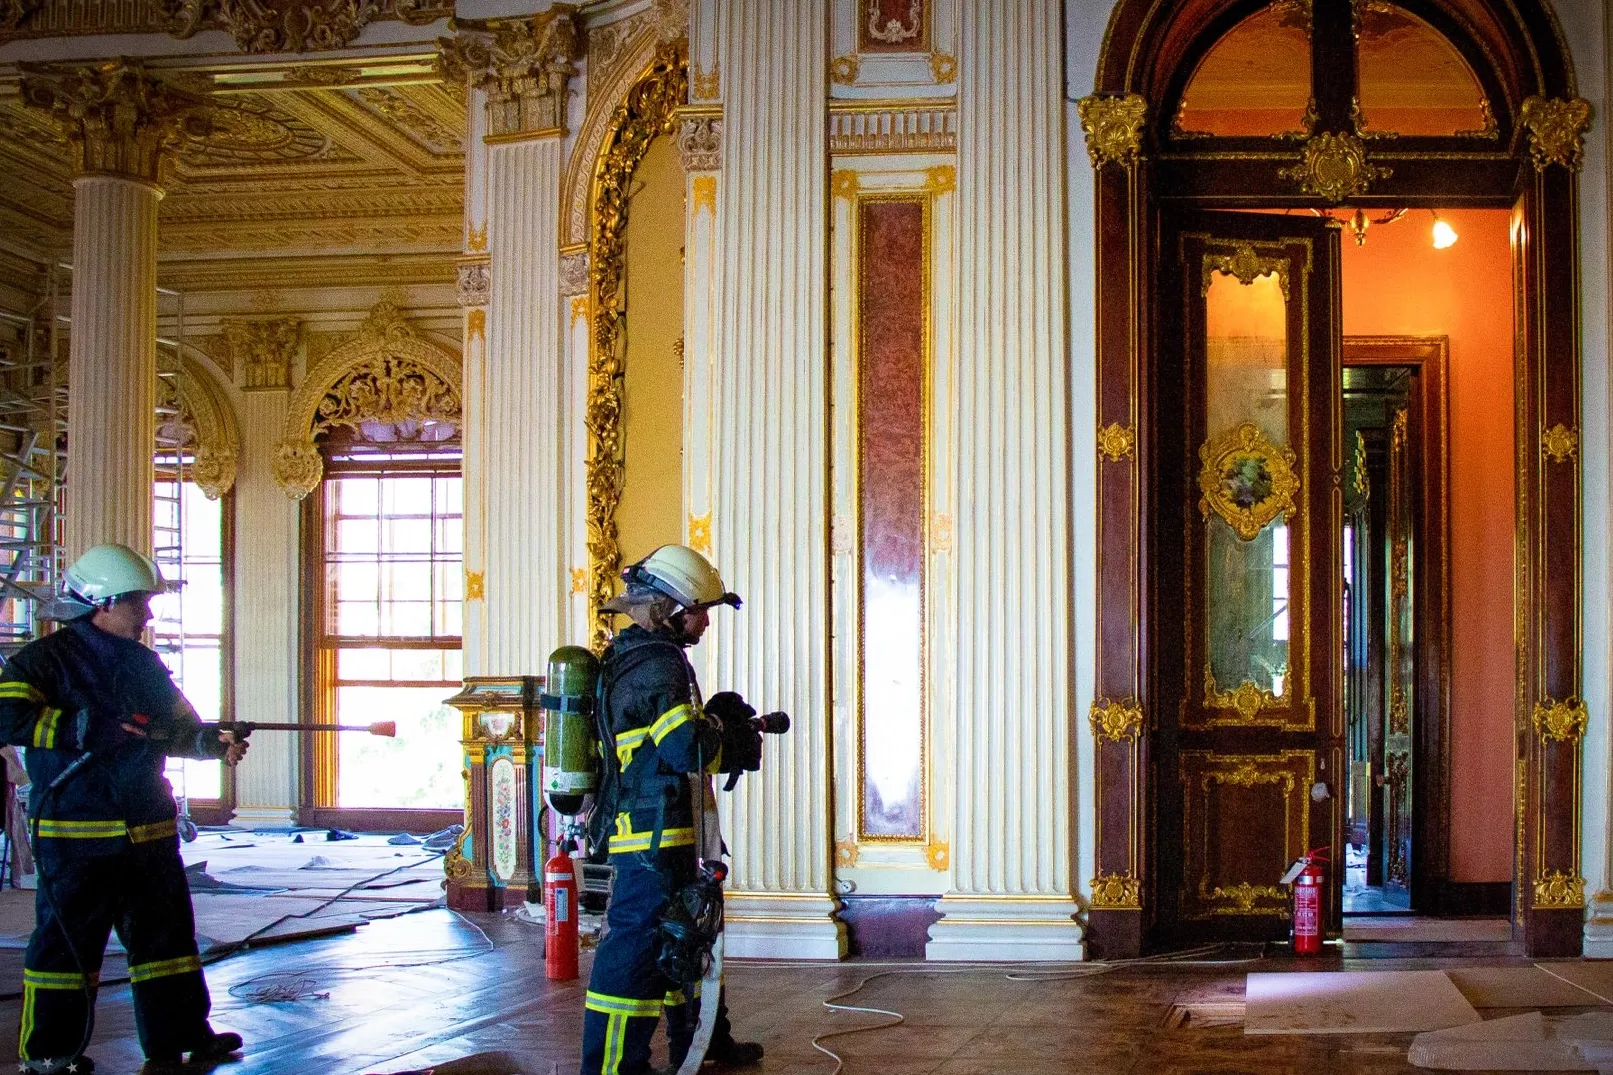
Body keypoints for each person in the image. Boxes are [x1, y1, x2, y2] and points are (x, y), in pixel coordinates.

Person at [0, 544, 248, 1075]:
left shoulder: (143, 664)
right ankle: (50, 1054)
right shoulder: (42, 662)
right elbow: (6, 718)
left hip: (147, 830)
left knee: (167, 943)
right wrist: (86, 728)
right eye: (139, 602)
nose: (148, 615)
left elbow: (177, 728)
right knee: (66, 948)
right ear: (104, 602)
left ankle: (178, 1040)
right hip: (75, 835)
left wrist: (211, 742)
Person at [580, 545, 765, 1075]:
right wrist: (732, 738)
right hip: (651, 837)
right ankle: (613, 1066)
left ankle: (702, 1043)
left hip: (663, 829)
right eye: (699, 610)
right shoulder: (658, 665)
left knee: (687, 934)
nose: (705, 622)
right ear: (671, 608)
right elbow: (685, 750)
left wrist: (716, 722)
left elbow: (671, 740)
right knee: (637, 950)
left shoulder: (644, 658)